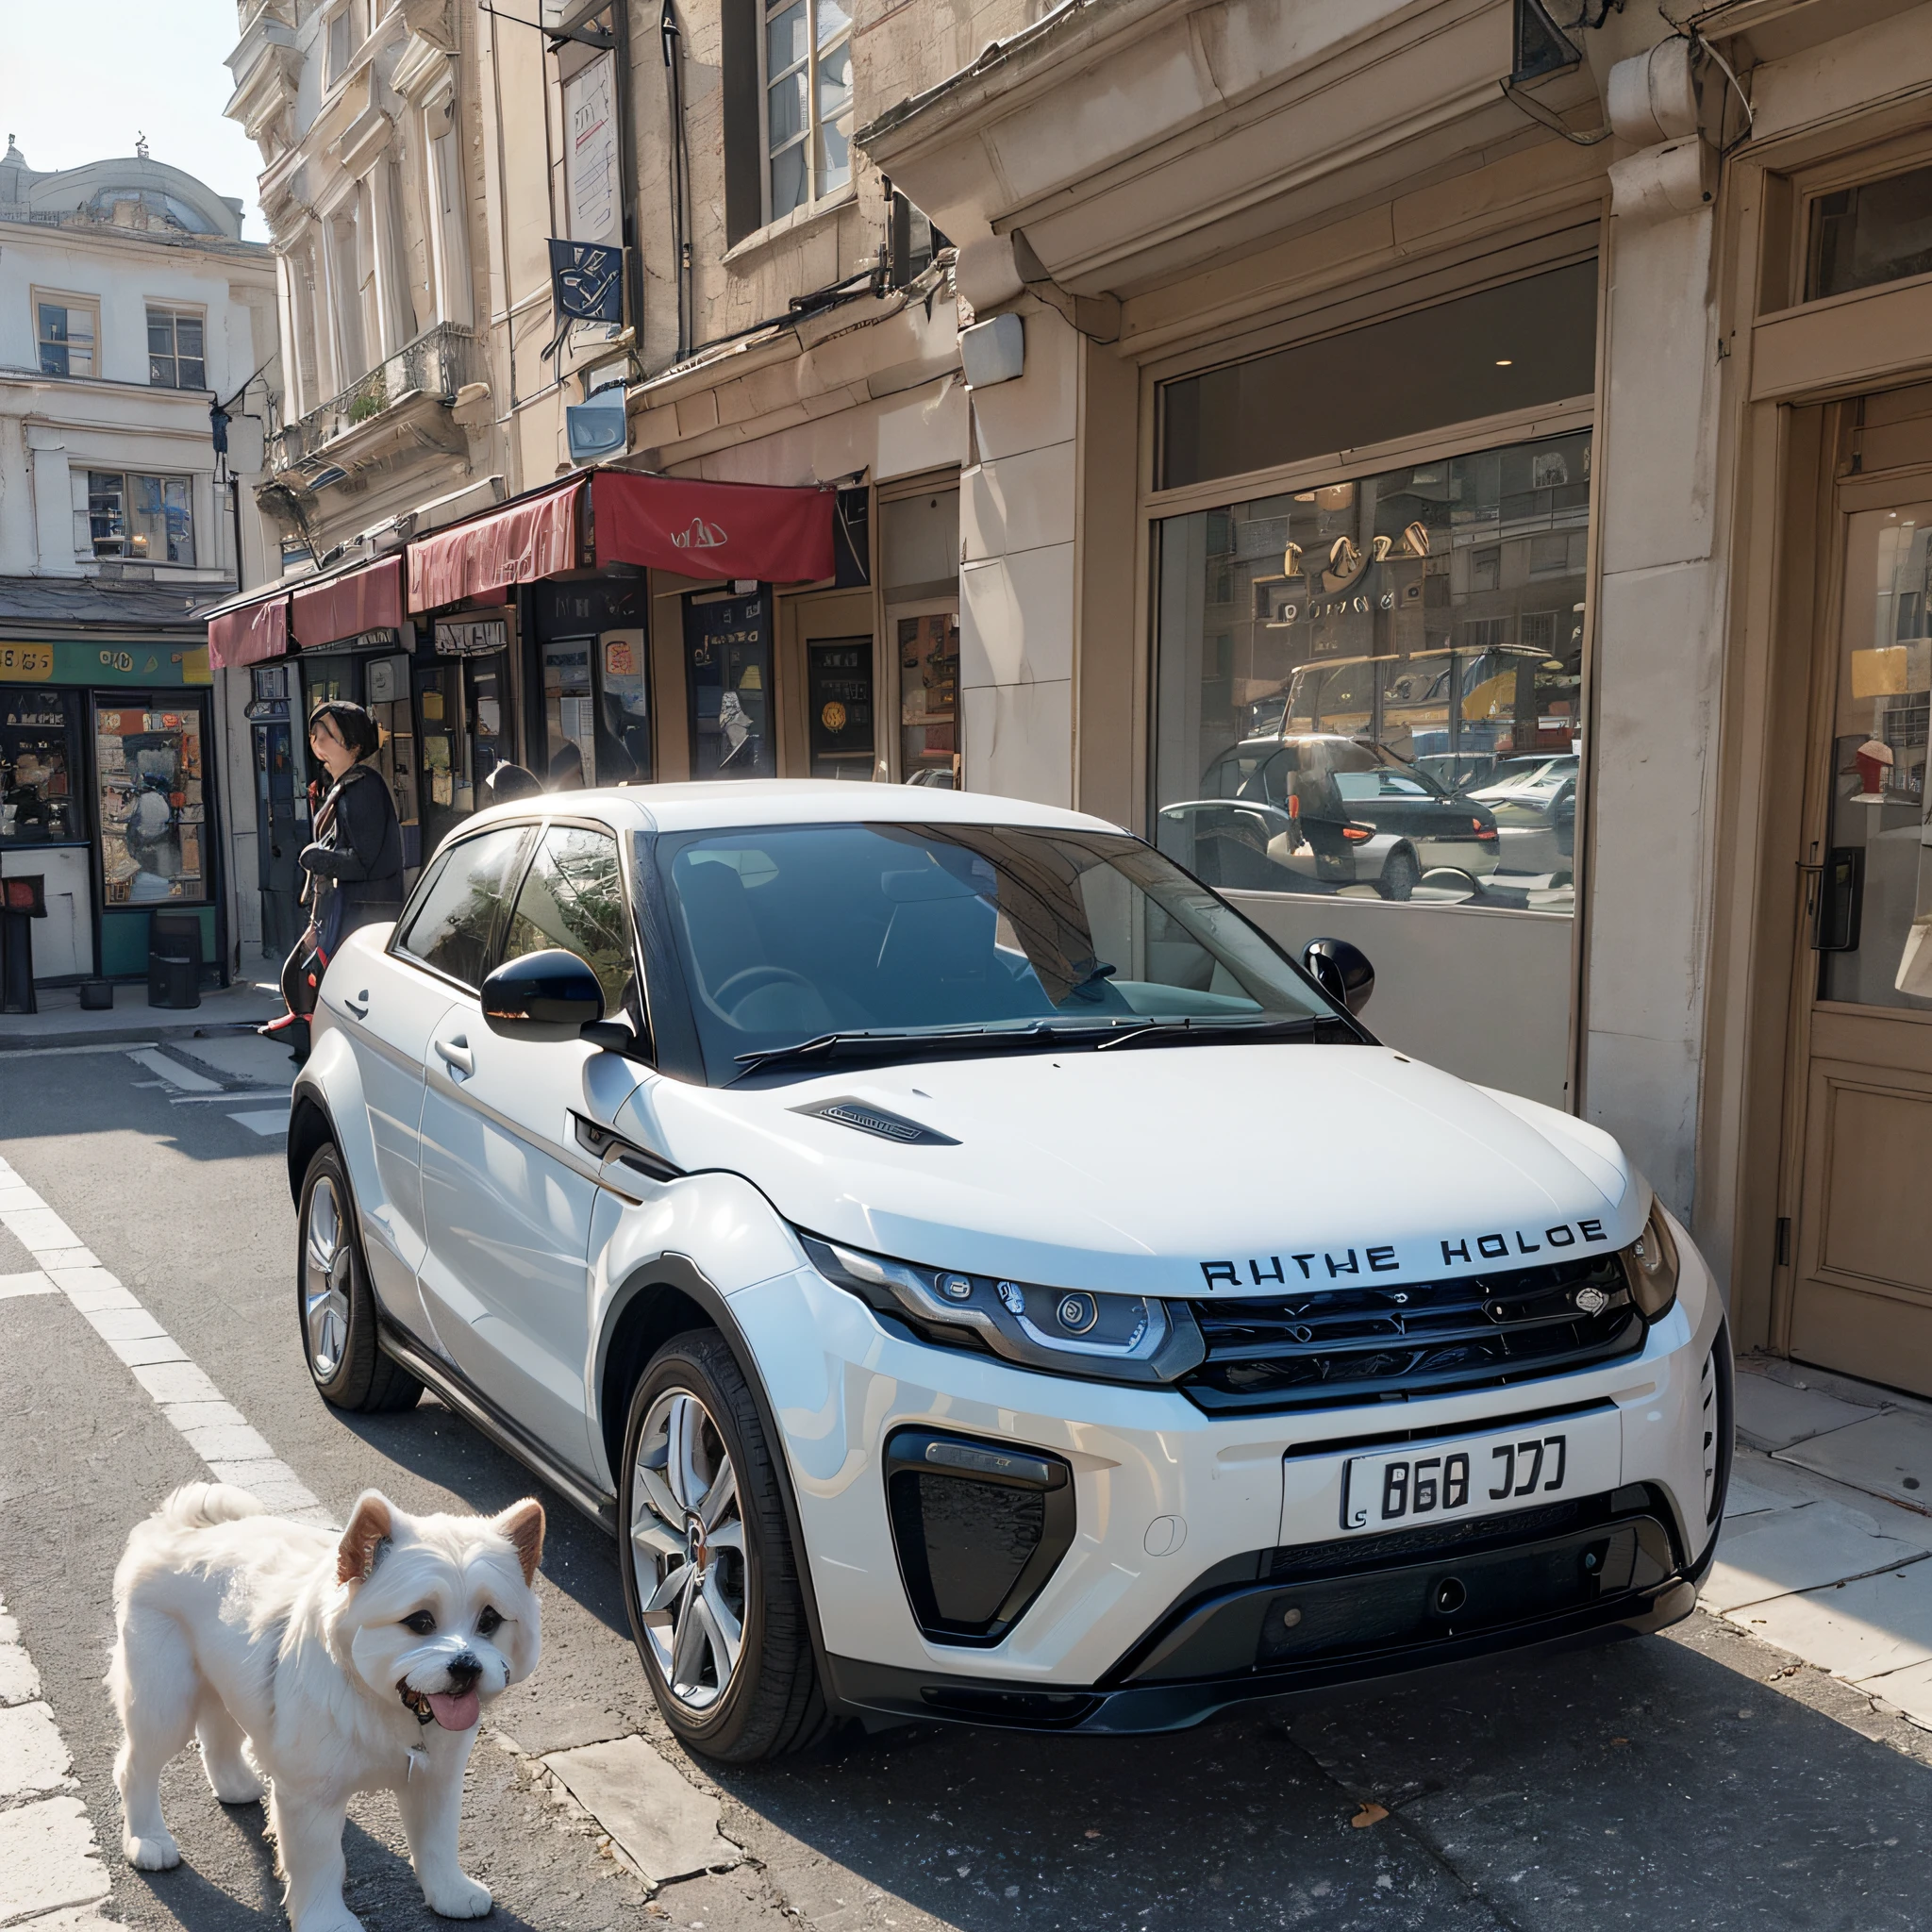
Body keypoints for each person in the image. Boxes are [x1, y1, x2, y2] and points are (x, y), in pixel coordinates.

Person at [259, 701, 405, 1062]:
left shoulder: (364, 788)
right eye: (314, 735)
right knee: (309, 974)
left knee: (338, 983)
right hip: (338, 907)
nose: (317, 742)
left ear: (353, 743)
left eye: (326, 734)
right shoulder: (343, 786)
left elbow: (368, 860)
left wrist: (324, 859)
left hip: (360, 911)